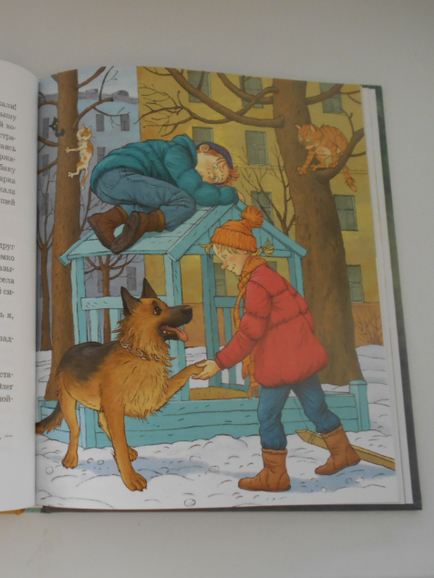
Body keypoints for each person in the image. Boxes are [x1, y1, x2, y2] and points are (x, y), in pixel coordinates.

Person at [195, 206, 360, 492]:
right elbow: (303, 314)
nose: (224, 265)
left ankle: (275, 475)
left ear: (241, 251)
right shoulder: (269, 277)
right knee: (316, 408)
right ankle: (343, 452)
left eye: (225, 257)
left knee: (268, 417)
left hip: (282, 364)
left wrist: (219, 363)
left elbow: (250, 333)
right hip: (299, 360)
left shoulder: (258, 284)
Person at [87, 134, 242, 254]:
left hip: (110, 185)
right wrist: (231, 195)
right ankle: (145, 223)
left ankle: (106, 220)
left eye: (215, 179)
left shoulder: (178, 179)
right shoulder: (179, 152)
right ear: (204, 149)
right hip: (118, 174)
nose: (210, 174)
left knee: (157, 202)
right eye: (215, 166)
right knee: (185, 202)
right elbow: (195, 190)